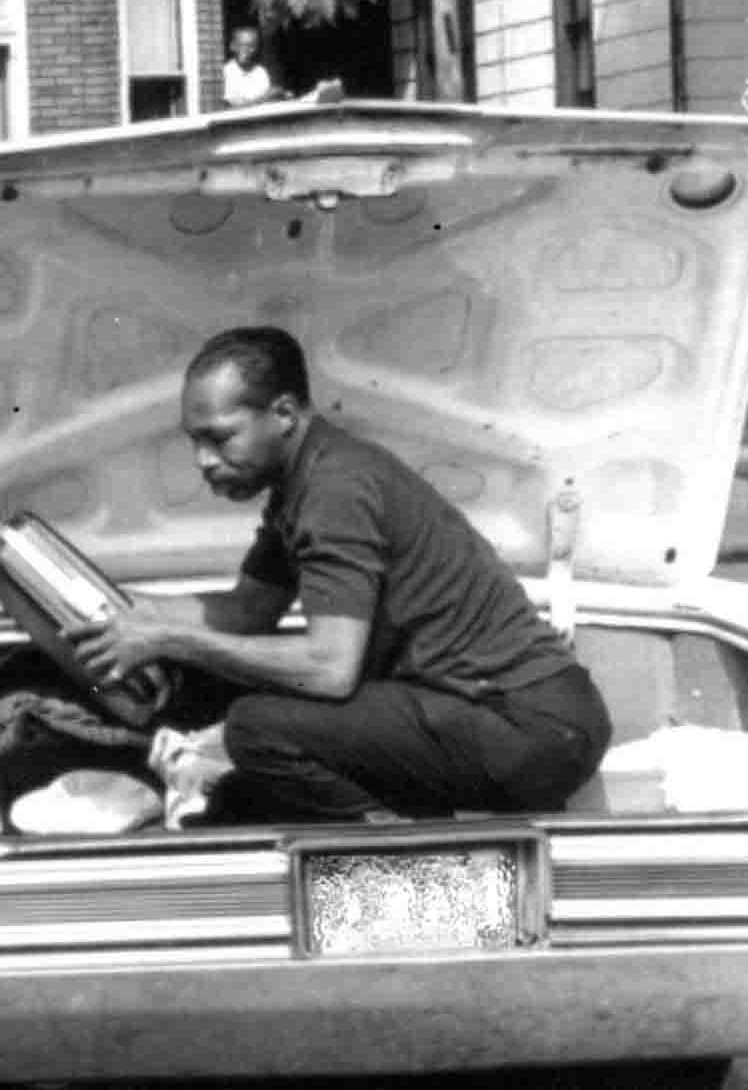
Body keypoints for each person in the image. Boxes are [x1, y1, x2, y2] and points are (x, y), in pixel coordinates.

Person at [77, 325, 612, 824]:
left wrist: (169, 638)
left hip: (527, 727)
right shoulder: (305, 482)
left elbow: (329, 670)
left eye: (220, 438)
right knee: (245, 785)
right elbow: (247, 610)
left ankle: (393, 857)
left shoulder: (335, 490)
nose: (203, 460)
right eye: (194, 440)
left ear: (284, 413)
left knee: (254, 728)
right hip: (515, 720)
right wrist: (125, 610)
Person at [221, 26, 284, 109]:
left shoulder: (260, 72)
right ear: (232, 46)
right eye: (242, 45)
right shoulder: (226, 72)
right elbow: (229, 108)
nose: (246, 50)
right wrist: (265, 97)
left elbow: (268, 103)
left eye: (251, 46)